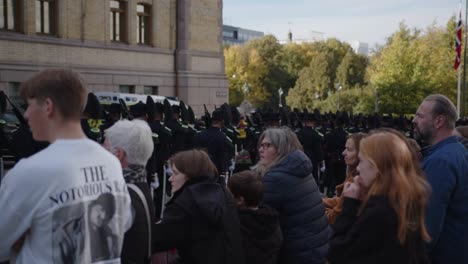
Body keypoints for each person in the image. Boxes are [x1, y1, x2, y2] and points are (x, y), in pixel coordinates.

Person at [0, 69, 132, 264]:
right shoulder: (111, 162)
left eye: (29, 105)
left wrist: (29, 236)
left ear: (48, 106)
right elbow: (124, 222)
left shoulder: (29, 172)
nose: (26, 114)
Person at [328, 132, 431, 264]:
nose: (358, 168)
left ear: (377, 166)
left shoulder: (379, 211)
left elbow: (337, 252)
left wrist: (349, 205)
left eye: (362, 161)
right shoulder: (406, 199)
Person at [153, 149, 245, 264]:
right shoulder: (223, 193)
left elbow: (157, 240)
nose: (170, 178)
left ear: (190, 175)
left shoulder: (185, 203)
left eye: (175, 173)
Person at [253, 127, 330, 264]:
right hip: (315, 248)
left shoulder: (276, 178)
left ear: (281, 149)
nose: (261, 149)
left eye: (268, 145)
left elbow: (262, 223)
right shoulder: (297, 168)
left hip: (298, 253)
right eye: (261, 145)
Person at [412, 94, 468, 263]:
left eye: (420, 116)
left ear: (439, 121)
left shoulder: (441, 161)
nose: (414, 120)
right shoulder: (456, 152)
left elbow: (428, 227)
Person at [104, 119, 155, 264]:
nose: (101, 149)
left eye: (105, 146)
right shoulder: (140, 185)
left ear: (118, 154)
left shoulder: (122, 196)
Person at [227, 170, 282, 264]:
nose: (226, 196)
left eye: (229, 194)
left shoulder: (236, 225)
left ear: (240, 200)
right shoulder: (271, 221)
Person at [323, 132, 367, 224]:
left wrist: (314, 210)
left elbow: (335, 219)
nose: (343, 153)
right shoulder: (355, 175)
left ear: (362, 154)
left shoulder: (356, 181)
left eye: (349, 149)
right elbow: (340, 201)